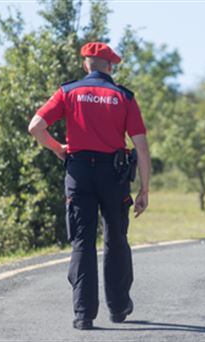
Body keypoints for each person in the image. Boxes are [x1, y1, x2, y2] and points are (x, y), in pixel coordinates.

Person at [28, 42, 151, 330]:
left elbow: (36, 126)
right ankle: (119, 307)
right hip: (114, 175)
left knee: (82, 242)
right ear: (110, 67)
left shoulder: (68, 92)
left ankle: (83, 314)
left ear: (86, 65)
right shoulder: (124, 96)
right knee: (116, 239)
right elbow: (141, 147)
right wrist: (144, 189)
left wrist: (58, 147)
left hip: (79, 172)